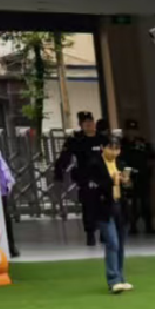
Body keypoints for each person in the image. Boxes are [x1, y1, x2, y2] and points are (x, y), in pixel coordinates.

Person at [83, 135, 132, 294]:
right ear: (103, 148)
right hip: (103, 208)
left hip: (120, 206)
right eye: (111, 148)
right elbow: (93, 187)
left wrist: (126, 182)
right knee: (112, 242)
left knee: (121, 243)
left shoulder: (120, 163)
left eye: (117, 149)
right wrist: (112, 180)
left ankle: (121, 277)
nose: (115, 152)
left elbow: (128, 186)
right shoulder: (94, 164)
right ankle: (113, 279)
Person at [53, 110, 106, 247]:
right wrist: (59, 173)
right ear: (81, 125)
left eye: (90, 122)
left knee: (104, 206)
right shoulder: (76, 141)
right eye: (85, 122)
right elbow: (65, 158)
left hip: (103, 178)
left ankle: (104, 233)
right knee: (89, 207)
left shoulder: (102, 139)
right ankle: (90, 234)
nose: (89, 125)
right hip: (85, 179)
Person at [121, 119, 155, 237]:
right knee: (131, 203)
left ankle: (149, 226)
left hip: (143, 176)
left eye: (134, 130)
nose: (132, 133)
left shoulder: (143, 143)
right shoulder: (122, 143)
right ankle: (132, 227)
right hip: (129, 176)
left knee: (145, 202)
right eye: (130, 130)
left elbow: (152, 157)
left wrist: (151, 170)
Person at [0, 145, 21, 260]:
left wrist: (7, 185)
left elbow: (4, 172)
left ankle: (9, 246)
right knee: (3, 219)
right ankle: (9, 247)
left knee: (4, 219)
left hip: (0, 190)